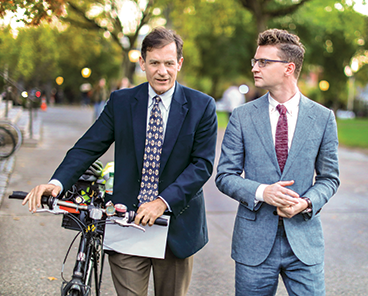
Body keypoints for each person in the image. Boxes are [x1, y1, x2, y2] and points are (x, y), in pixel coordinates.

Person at [23, 27, 218, 296]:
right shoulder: (122, 101)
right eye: (154, 63)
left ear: (179, 63)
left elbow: (202, 165)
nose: (162, 71)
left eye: (169, 63)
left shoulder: (202, 106)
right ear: (142, 64)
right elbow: (87, 147)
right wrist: (57, 182)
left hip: (176, 226)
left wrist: (161, 202)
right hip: (125, 223)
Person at [215, 28, 340, 295]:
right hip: (254, 245)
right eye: (255, 61)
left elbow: (330, 178)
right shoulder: (241, 117)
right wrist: (263, 192)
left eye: (264, 62)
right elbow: (225, 175)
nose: (255, 68)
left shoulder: (323, 118)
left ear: (288, 68)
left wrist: (306, 203)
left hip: (304, 243)